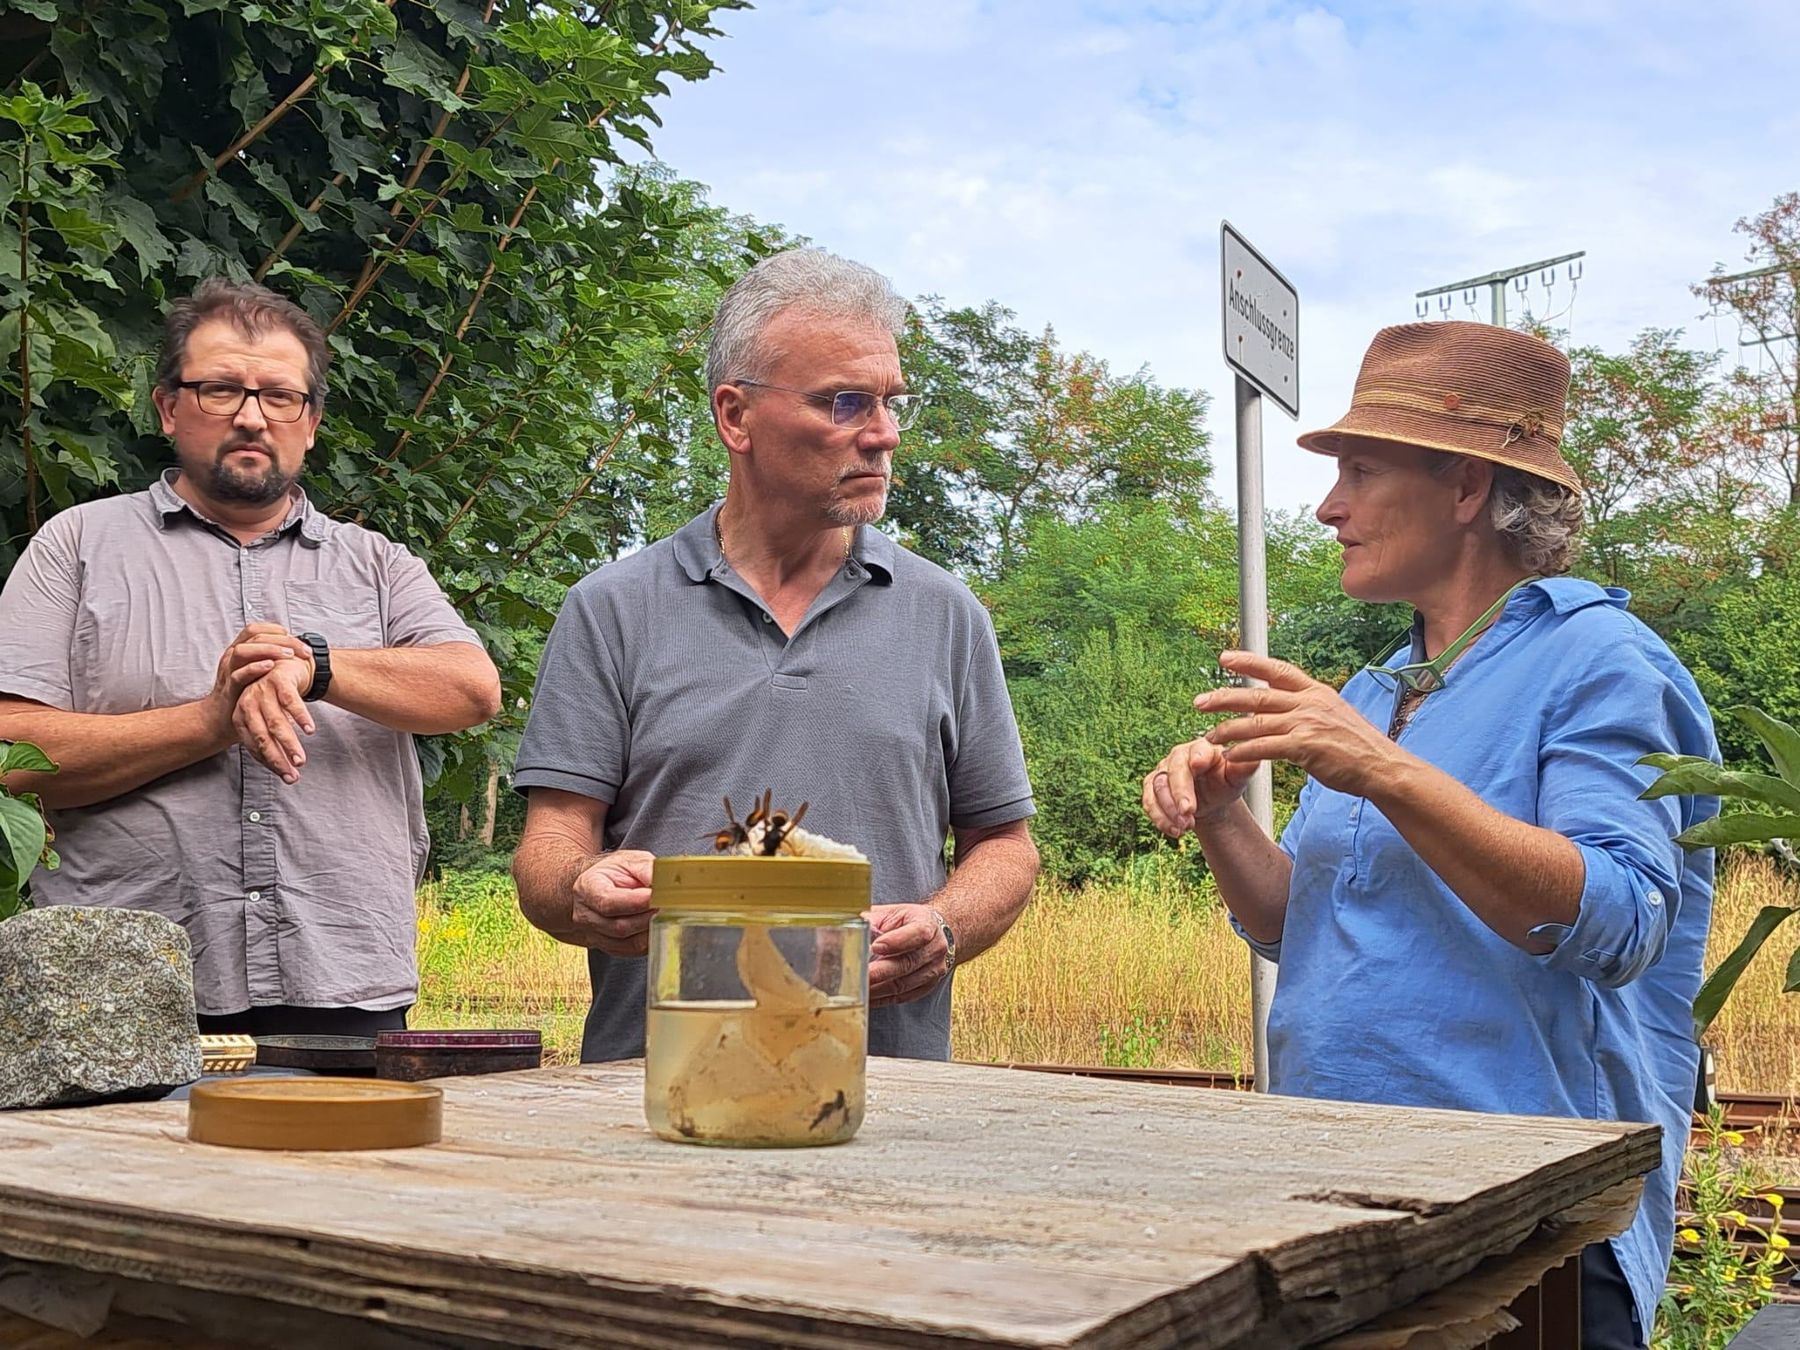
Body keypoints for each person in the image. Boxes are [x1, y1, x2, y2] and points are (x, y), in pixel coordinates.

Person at [1142, 322, 1716, 1349]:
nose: (1328, 506)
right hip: (1346, 1207)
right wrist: (1224, 814)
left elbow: (1621, 920)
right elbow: (1296, 928)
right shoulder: (1374, 688)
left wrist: (1382, 769)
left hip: (1526, 1234)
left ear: (1463, 490)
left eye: (1360, 470)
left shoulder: (1600, 658)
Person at [512, 247, 1039, 1062]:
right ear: (736, 416)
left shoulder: (947, 615)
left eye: (891, 402)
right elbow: (549, 848)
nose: (884, 433)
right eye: (845, 403)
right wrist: (583, 889)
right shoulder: (612, 609)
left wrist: (943, 924)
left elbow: (1005, 847)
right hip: (656, 1090)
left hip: (881, 1094)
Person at [0, 278, 502, 1037]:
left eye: (278, 396)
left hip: (343, 981)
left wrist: (315, 666)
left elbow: (472, 689)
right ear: (169, 407)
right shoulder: (76, 546)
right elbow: (12, 754)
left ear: (311, 421)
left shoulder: (377, 564)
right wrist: (209, 721)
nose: (250, 415)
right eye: (220, 389)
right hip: (118, 992)